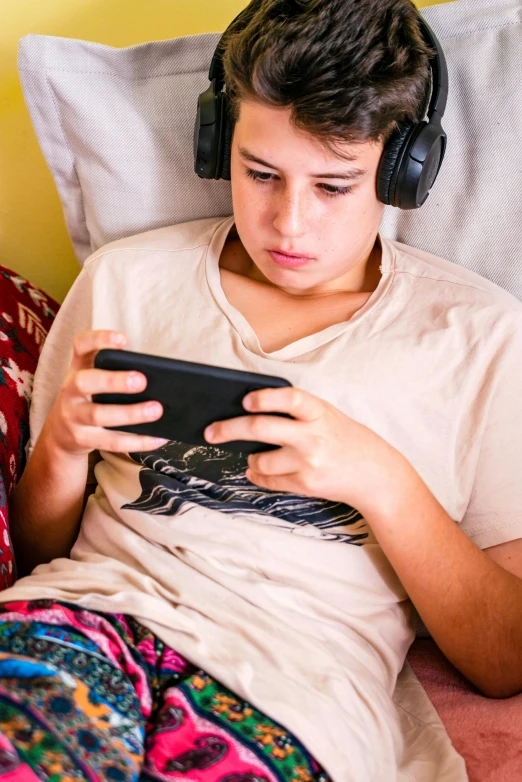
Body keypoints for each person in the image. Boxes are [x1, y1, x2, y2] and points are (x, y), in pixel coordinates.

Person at [2, 0, 522, 779]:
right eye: (262, 174)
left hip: (295, 691)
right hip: (82, 618)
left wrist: (379, 478)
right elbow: (38, 548)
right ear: (218, 147)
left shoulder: (480, 336)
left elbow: (503, 657)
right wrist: (64, 452)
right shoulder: (129, 279)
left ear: (402, 171)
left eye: (335, 186)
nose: (290, 224)